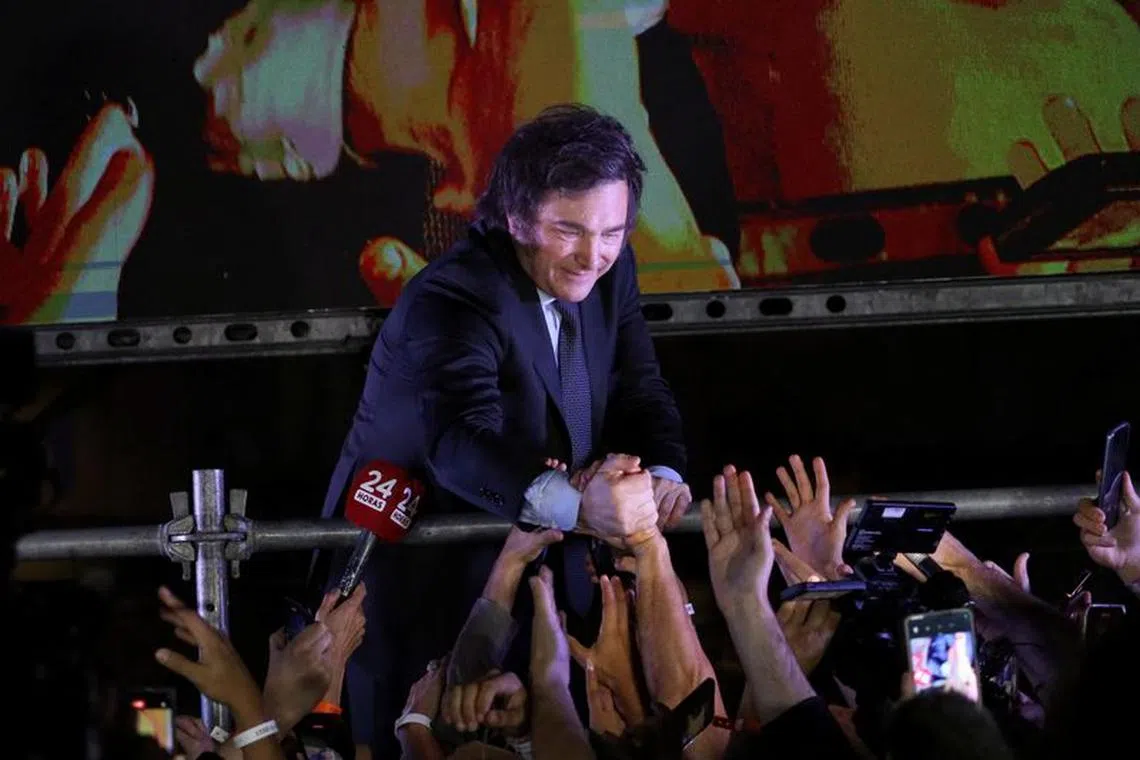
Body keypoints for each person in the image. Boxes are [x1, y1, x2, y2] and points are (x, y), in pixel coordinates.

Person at [317, 103, 692, 755]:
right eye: (569, 230)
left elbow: (640, 385)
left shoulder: (615, 269)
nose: (594, 255)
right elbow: (459, 446)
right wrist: (586, 509)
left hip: (543, 588)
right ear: (517, 218)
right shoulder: (454, 295)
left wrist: (662, 474)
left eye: (612, 231)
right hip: (422, 587)